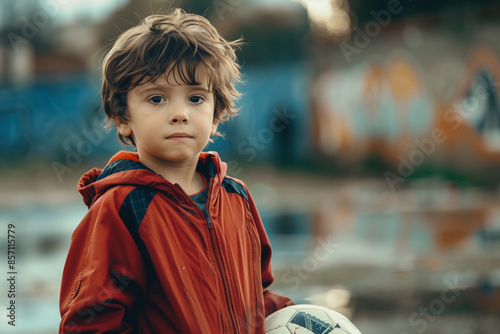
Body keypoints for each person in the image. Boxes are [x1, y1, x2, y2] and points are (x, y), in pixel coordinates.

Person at [59, 8, 294, 334]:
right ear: (122, 116)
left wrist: (297, 317)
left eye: (196, 98)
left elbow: (255, 297)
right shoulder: (121, 209)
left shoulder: (236, 197)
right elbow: (90, 324)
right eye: (157, 98)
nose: (180, 113)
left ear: (215, 116)